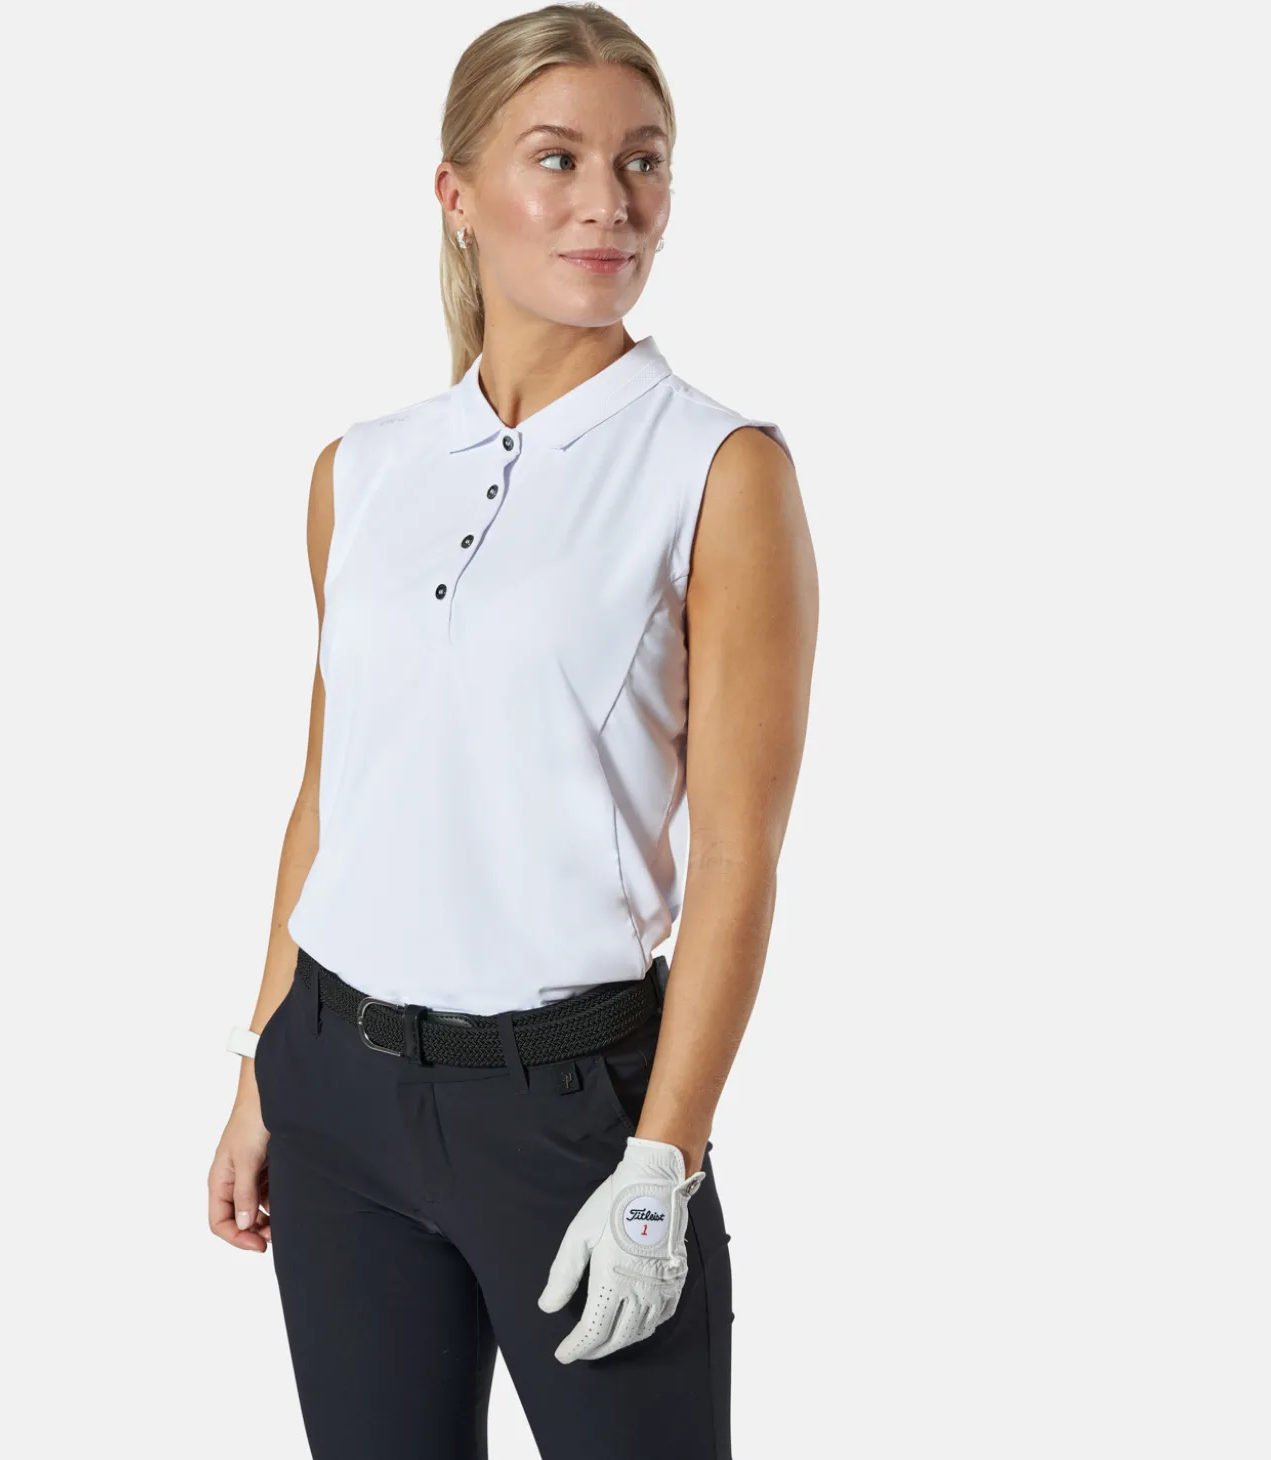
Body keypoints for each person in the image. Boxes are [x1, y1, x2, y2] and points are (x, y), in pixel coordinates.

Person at [207, 6, 818, 1456]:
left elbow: (738, 854)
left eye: (643, 161)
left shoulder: (718, 469)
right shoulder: (361, 470)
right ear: (457, 194)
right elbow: (329, 794)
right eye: (558, 159)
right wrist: (257, 1067)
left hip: (572, 1117)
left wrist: (663, 1161)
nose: (612, 202)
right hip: (335, 1089)